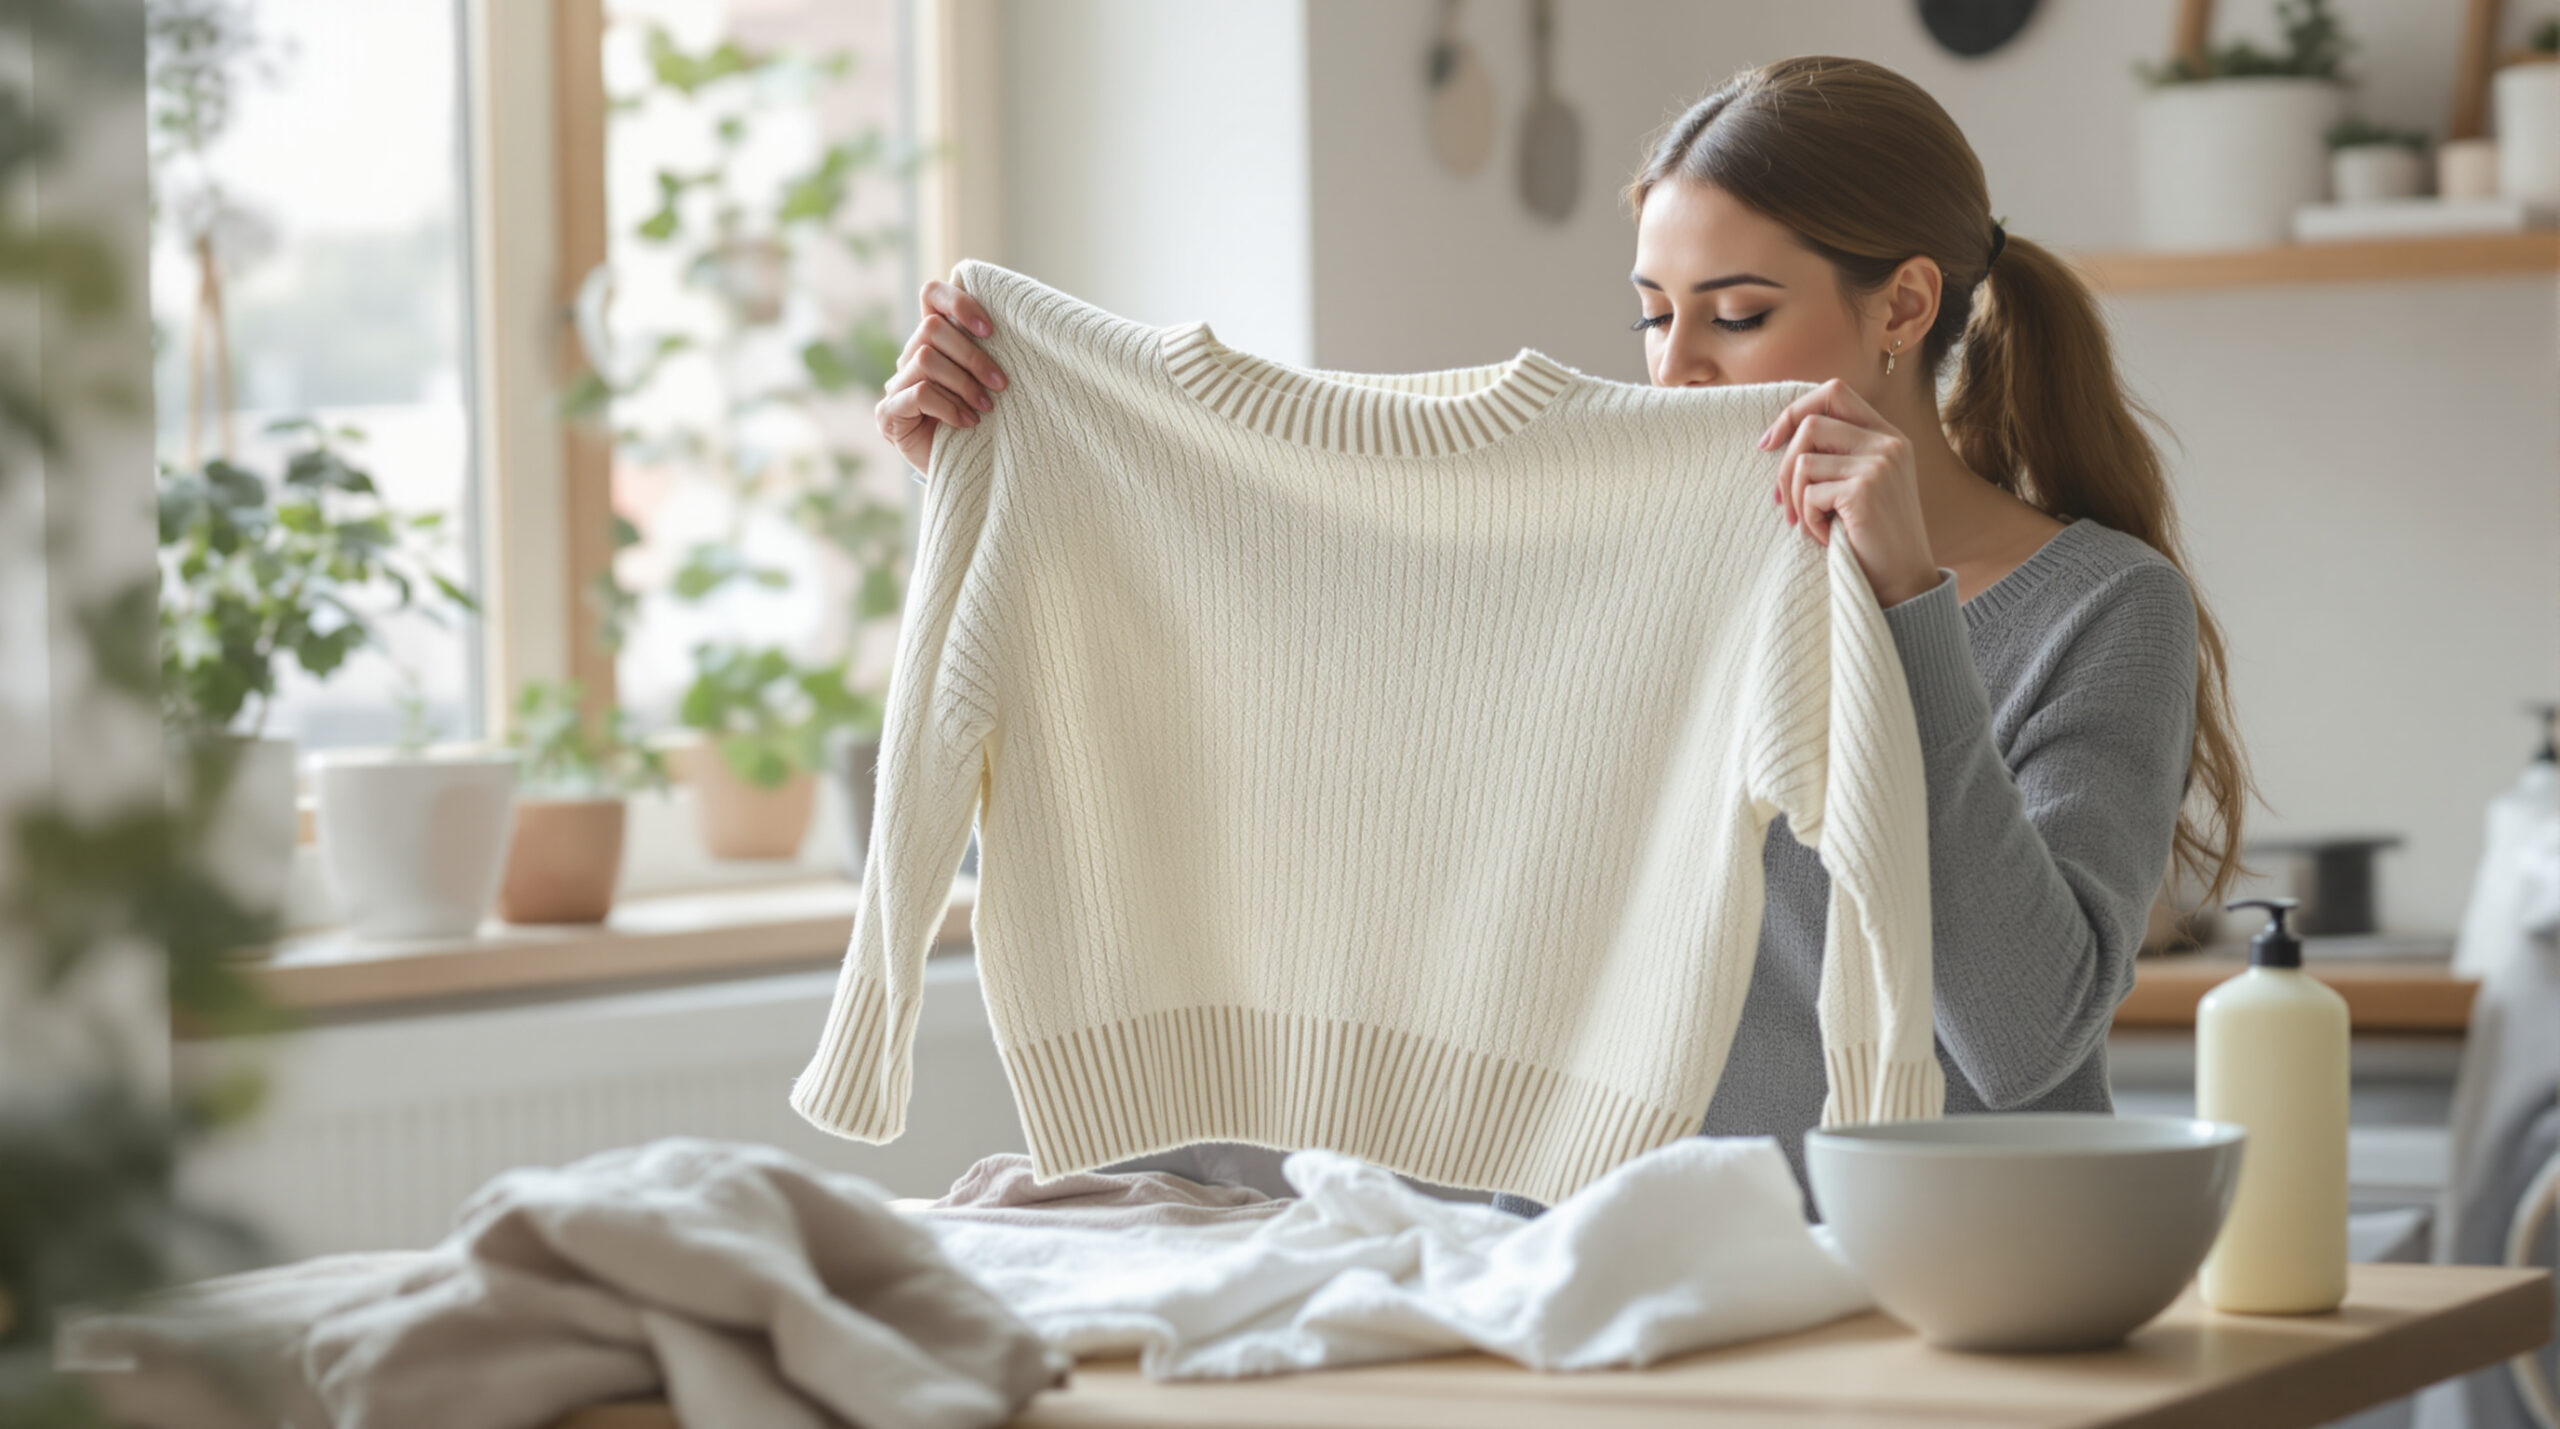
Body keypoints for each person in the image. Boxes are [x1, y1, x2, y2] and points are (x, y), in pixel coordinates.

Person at [868, 55, 2253, 1214]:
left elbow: (2019, 1042)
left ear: (1902, 305)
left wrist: (1905, 617)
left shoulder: (2101, 605)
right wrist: (1013, 501)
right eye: (1654, 317)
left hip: (1970, 1269)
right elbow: (1301, 766)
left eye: (1739, 315)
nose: (1678, 371)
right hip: (1657, 1265)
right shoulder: (1632, 560)